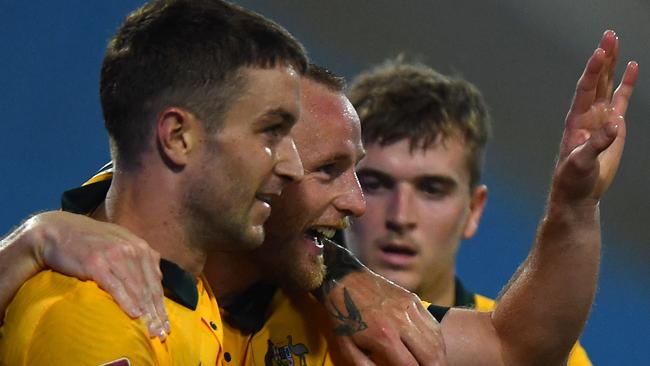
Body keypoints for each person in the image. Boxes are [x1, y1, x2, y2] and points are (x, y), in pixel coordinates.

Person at [1, 28, 638, 364]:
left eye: (433, 188)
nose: (367, 207)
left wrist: (574, 202)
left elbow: (515, 348)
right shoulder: (98, 297)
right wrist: (34, 239)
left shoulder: (332, 311)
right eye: (332, 169)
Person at [0, 0, 309, 364]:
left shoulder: (184, 285)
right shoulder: (99, 320)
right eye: (271, 130)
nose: (294, 167)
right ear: (177, 137)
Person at [344, 60, 592, 364]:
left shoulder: (543, 352)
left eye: (431, 189)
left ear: (474, 210)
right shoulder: (282, 318)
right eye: (375, 184)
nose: (400, 216)